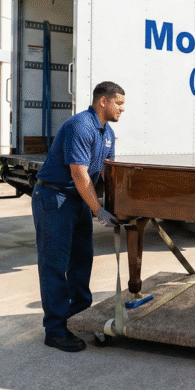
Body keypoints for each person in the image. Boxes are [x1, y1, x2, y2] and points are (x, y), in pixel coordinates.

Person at [32, 81, 125, 353]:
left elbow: (108, 172)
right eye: (118, 103)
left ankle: (82, 318)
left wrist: (119, 206)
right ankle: (56, 329)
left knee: (82, 260)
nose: (122, 109)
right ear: (103, 102)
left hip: (77, 200)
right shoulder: (80, 126)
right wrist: (98, 209)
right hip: (54, 199)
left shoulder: (106, 132)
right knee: (54, 264)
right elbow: (79, 174)